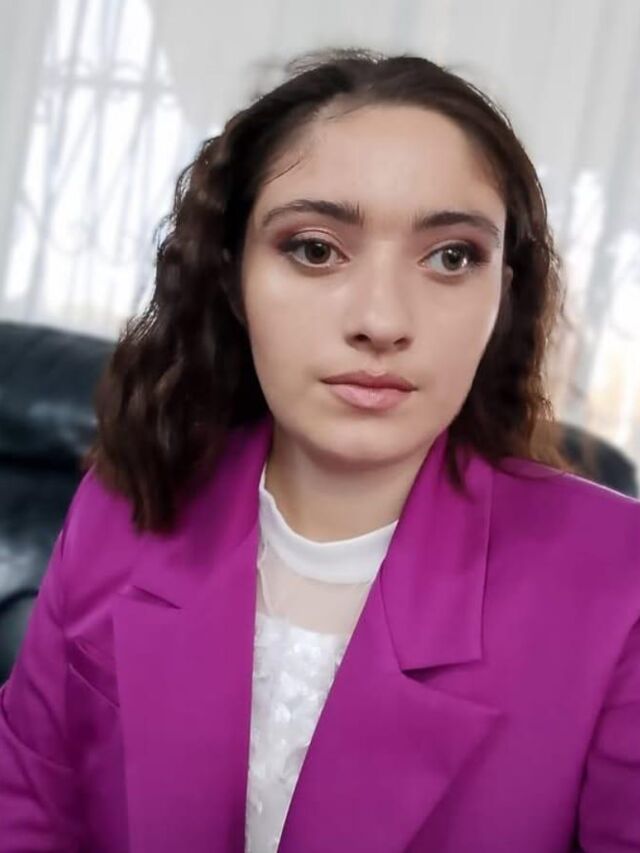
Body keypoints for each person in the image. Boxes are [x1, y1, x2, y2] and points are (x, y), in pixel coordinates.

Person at [0, 46, 638, 853]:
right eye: (314, 248)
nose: (381, 320)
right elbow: (29, 806)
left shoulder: (620, 578)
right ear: (233, 278)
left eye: (451, 257)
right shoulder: (124, 504)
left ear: (502, 297)